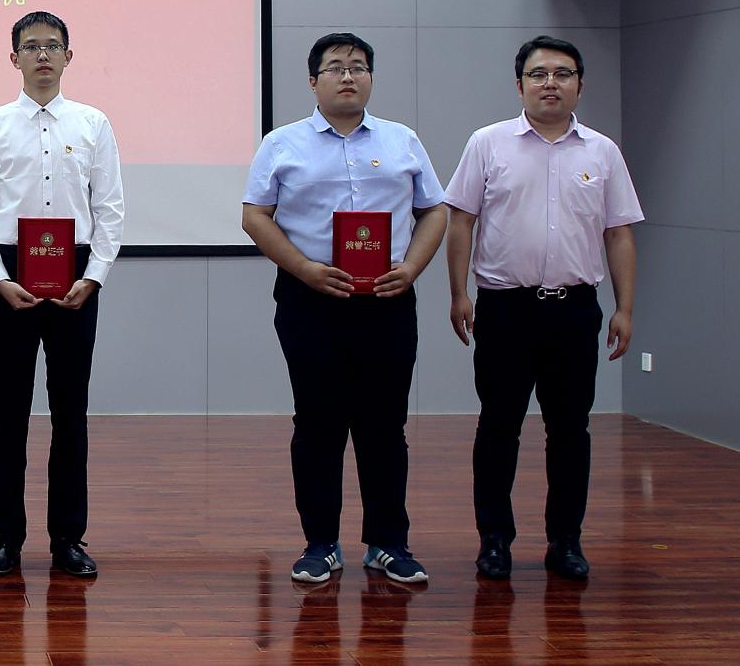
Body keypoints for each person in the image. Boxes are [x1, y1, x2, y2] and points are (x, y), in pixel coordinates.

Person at [242, 33, 448, 587]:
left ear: (371, 78)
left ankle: (388, 543)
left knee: (386, 423)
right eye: (335, 68)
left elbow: (434, 211)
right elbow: (255, 216)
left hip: (387, 299)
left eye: (358, 67)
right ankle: (320, 544)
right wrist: (304, 268)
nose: (348, 76)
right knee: (318, 423)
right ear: (314, 82)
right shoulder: (282, 143)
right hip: (311, 300)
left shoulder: (402, 140)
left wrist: (412, 268)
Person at [443, 36, 641, 582]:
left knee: (571, 430)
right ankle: (494, 541)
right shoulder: (487, 144)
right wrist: (459, 294)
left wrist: (625, 307)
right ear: (520, 85)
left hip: (574, 311)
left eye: (562, 73)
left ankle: (565, 541)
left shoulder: (602, 151)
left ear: (579, 84)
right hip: (505, 310)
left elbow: (619, 233)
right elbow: (461, 221)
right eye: (538, 74)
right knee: (498, 427)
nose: (550, 83)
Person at [0, 11, 124, 578]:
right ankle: (5, 538)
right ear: (15, 58)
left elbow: (110, 209)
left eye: (53, 46)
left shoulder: (93, 124)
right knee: (8, 411)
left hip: (76, 276)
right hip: (10, 275)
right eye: (31, 47)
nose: (43, 55)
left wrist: (94, 276)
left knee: (70, 411)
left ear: (69, 56)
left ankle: (68, 539)